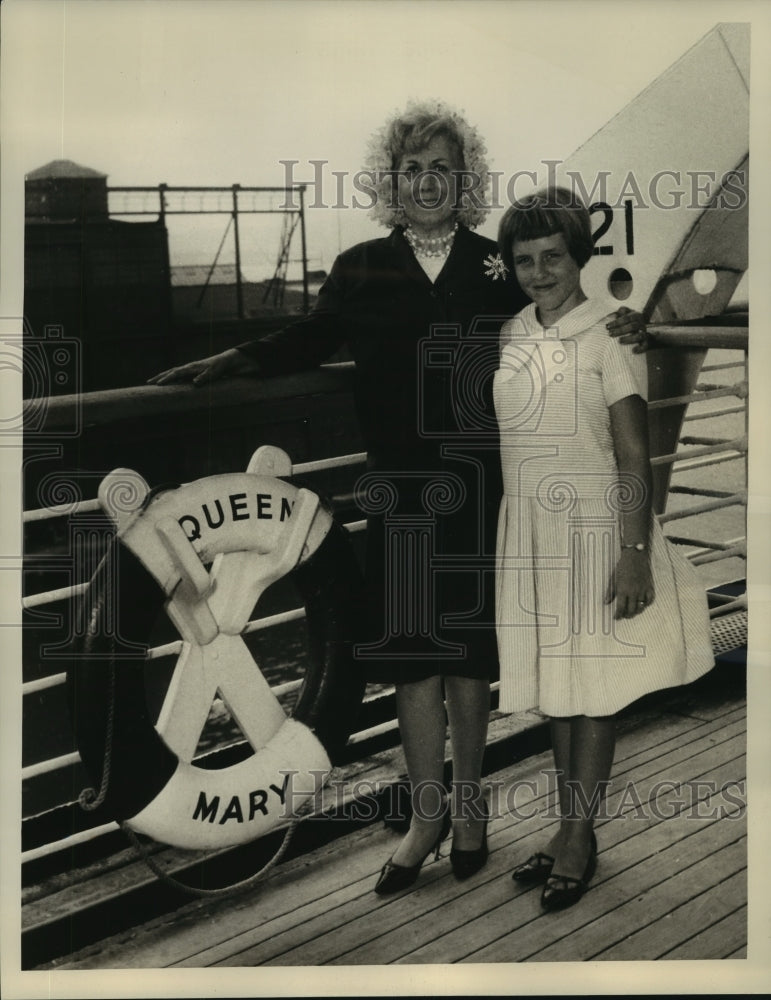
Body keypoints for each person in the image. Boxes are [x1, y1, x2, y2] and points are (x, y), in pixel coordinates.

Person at [149, 103, 647, 894]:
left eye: (441, 168)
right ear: (392, 181)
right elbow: (306, 340)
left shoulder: (499, 266)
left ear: (463, 178)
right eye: (411, 169)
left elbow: (566, 318)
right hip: (401, 493)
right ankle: (426, 816)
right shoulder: (358, 270)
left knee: (467, 659)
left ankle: (472, 809)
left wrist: (630, 329)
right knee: (414, 662)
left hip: (485, 490)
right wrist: (228, 359)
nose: (425, 182)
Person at [494, 187, 714, 911]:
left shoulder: (609, 336)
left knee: (591, 696)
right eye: (523, 259)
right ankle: (565, 830)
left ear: (577, 256)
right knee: (559, 693)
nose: (538, 271)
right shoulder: (511, 333)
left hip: (593, 531)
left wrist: (633, 551)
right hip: (531, 533)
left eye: (551, 255)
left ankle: (581, 838)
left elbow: (631, 456)